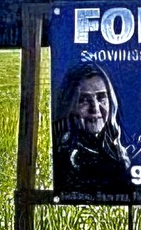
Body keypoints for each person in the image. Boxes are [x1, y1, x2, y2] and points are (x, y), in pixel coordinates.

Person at [53, 62, 134, 195]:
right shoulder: (64, 160)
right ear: (69, 105)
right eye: (84, 100)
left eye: (102, 98)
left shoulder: (118, 153)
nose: (95, 109)